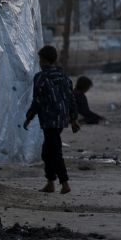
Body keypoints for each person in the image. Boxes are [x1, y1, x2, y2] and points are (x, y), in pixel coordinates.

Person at [22, 45, 80, 194]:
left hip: (49, 120)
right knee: (47, 151)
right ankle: (50, 182)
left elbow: (37, 101)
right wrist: (73, 119)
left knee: (54, 151)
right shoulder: (64, 76)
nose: (39, 62)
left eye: (40, 59)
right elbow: (71, 98)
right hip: (61, 119)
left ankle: (64, 183)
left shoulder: (40, 77)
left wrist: (29, 117)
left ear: (44, 60)